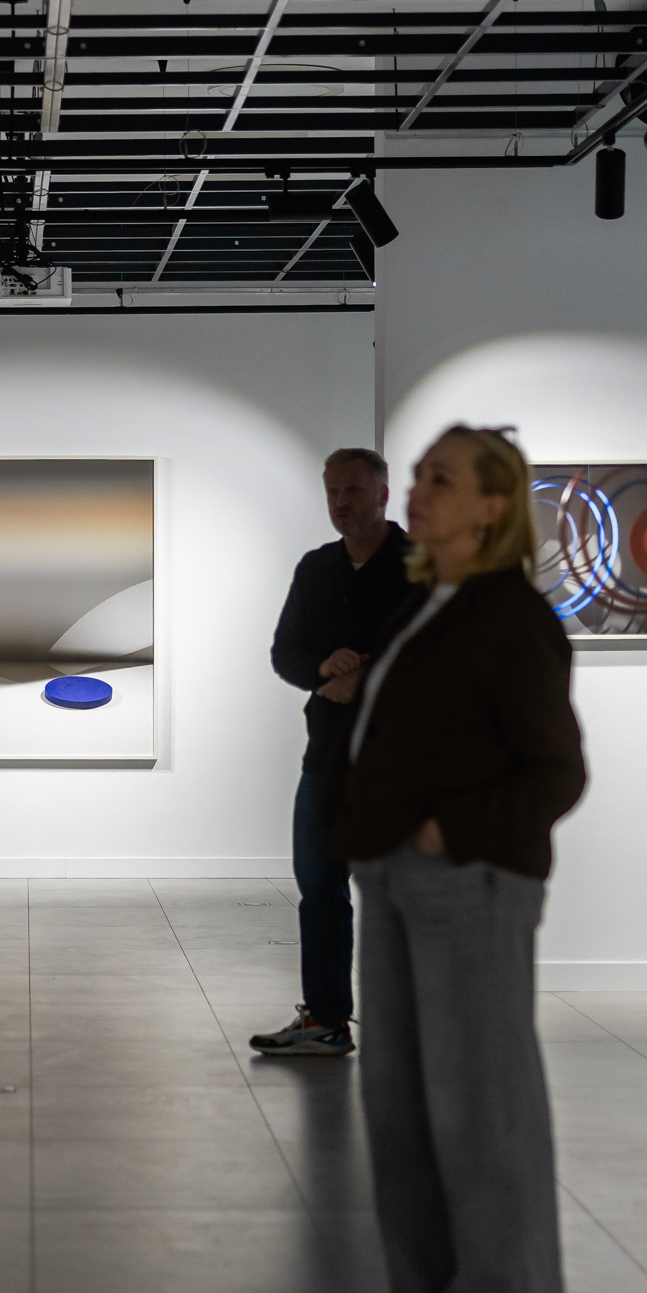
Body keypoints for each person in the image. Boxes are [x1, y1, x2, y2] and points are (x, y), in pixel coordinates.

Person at [331, 425, 586, 1293]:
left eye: (441, 479)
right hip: (393, 877)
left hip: (470, 885)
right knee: (398, 1103)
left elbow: (557, 772)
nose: (419, 493)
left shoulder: (511, 617)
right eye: (420, 477)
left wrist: (455, 831)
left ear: (492, 507)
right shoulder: (424, 605)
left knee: (480, 1106)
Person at [253, 448, 411, 1059]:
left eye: (353, 491)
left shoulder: (419, 568)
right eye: (333, 493)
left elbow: (434, 662)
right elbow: (284, 653)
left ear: (383, 495)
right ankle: (325, 1019)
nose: (341, 503)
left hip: (398, 764)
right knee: (319, 890)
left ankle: (410, 1025)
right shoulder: (316, 568)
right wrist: (324, 669)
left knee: (400, 897)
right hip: (326, 758)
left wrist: (363, 679)